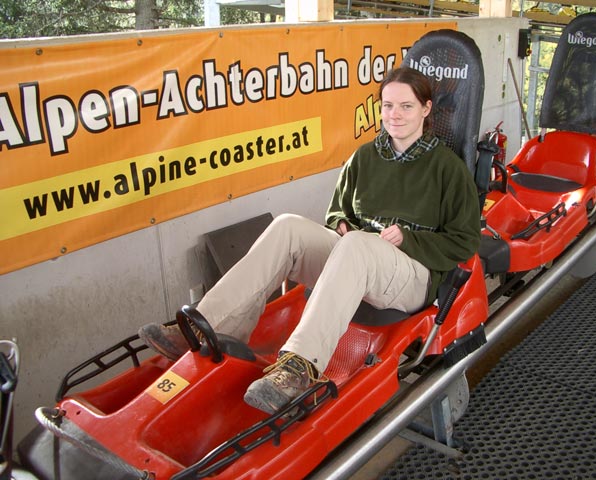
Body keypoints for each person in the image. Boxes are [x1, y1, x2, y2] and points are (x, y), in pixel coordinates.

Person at [139, 66, 481, 415]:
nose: (395, 115)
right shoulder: (365, 158)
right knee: (289, 226)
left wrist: (409, 239)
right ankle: (207, 326)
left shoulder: (446, 168)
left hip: (412, 275)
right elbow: (336, 213)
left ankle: (300, 366)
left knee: (357, 245)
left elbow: (464, 241)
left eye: (406, 106)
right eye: (387, 105)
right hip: (358, 257)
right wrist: (344, 225)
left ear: (426, 109)